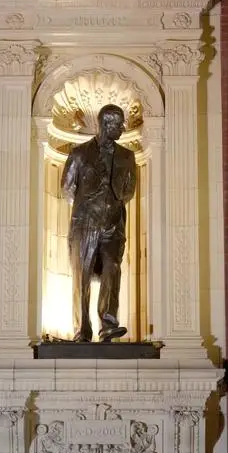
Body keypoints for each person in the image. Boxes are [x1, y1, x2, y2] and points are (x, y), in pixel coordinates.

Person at [61, 104, 137, 342]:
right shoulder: (80, 154)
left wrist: (110, 206)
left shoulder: (127, 156)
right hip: (84, 225)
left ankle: (108, 323)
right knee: (81, 276)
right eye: (119, 124)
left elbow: (129, 190)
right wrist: (90, 206)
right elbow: (67, 189)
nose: (123, 128)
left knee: (112, 269)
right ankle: (82, 330)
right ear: (107, 125)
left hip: (113, 226)